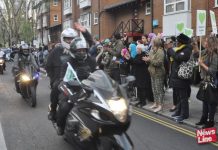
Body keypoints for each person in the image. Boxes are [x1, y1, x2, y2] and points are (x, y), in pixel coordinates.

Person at [45, 23, 93, 122]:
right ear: (63, 39)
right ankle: (53, 111)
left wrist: (85, 32)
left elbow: (90, 43)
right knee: (55, 88)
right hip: (61, 79)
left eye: (72, 38)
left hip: (79, 79)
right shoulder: (57, 50)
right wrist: (53, 78)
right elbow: (48, 66)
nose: (70, 41)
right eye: (68, 39)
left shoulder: (79, 49)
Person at [56, 37, 96, 135]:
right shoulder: (67, 62)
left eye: (83, 50)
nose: (82, 52)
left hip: (88, 90)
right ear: (74, 50)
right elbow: (62, 81)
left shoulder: (90, 60)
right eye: (79, 50)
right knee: (65, 107)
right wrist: (70, 94)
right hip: (71, 90)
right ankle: (60, 126)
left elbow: (98, 74)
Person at [167, 33, 192, 123]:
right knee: (179, 96)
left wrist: (171, 50)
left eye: (178, 41)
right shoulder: (181, 48)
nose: (176, 43)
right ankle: (179, 111)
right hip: (177, 77)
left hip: (182, 78)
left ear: (182, 42)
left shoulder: (187, 49)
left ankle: (184, 114)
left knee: (183, 97)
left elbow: (178, 58)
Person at [196, 36, 218, 128]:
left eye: (206, 41)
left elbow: (213, 71)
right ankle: (204, 118)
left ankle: (210, 121)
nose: (204, 42)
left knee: (211, 102)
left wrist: (202, 64)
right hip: (205, 80)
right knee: (205, 100)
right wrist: (195, 46)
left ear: (210, 43)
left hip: (213, 82)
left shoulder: (215, 55)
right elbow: (198, 53)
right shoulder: (206, 52)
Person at [143, 37, 165, 112]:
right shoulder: (152, 51)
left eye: (152, 42)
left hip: (158, 73)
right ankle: (156, 103)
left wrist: (150, 60)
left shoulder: (160, 52)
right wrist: (147, 60)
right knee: (154, 89)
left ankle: (160, 105)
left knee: (159, 90)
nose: (151, 43)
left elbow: (159, 63)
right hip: (152, 73)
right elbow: (149, 60)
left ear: (155, 43)